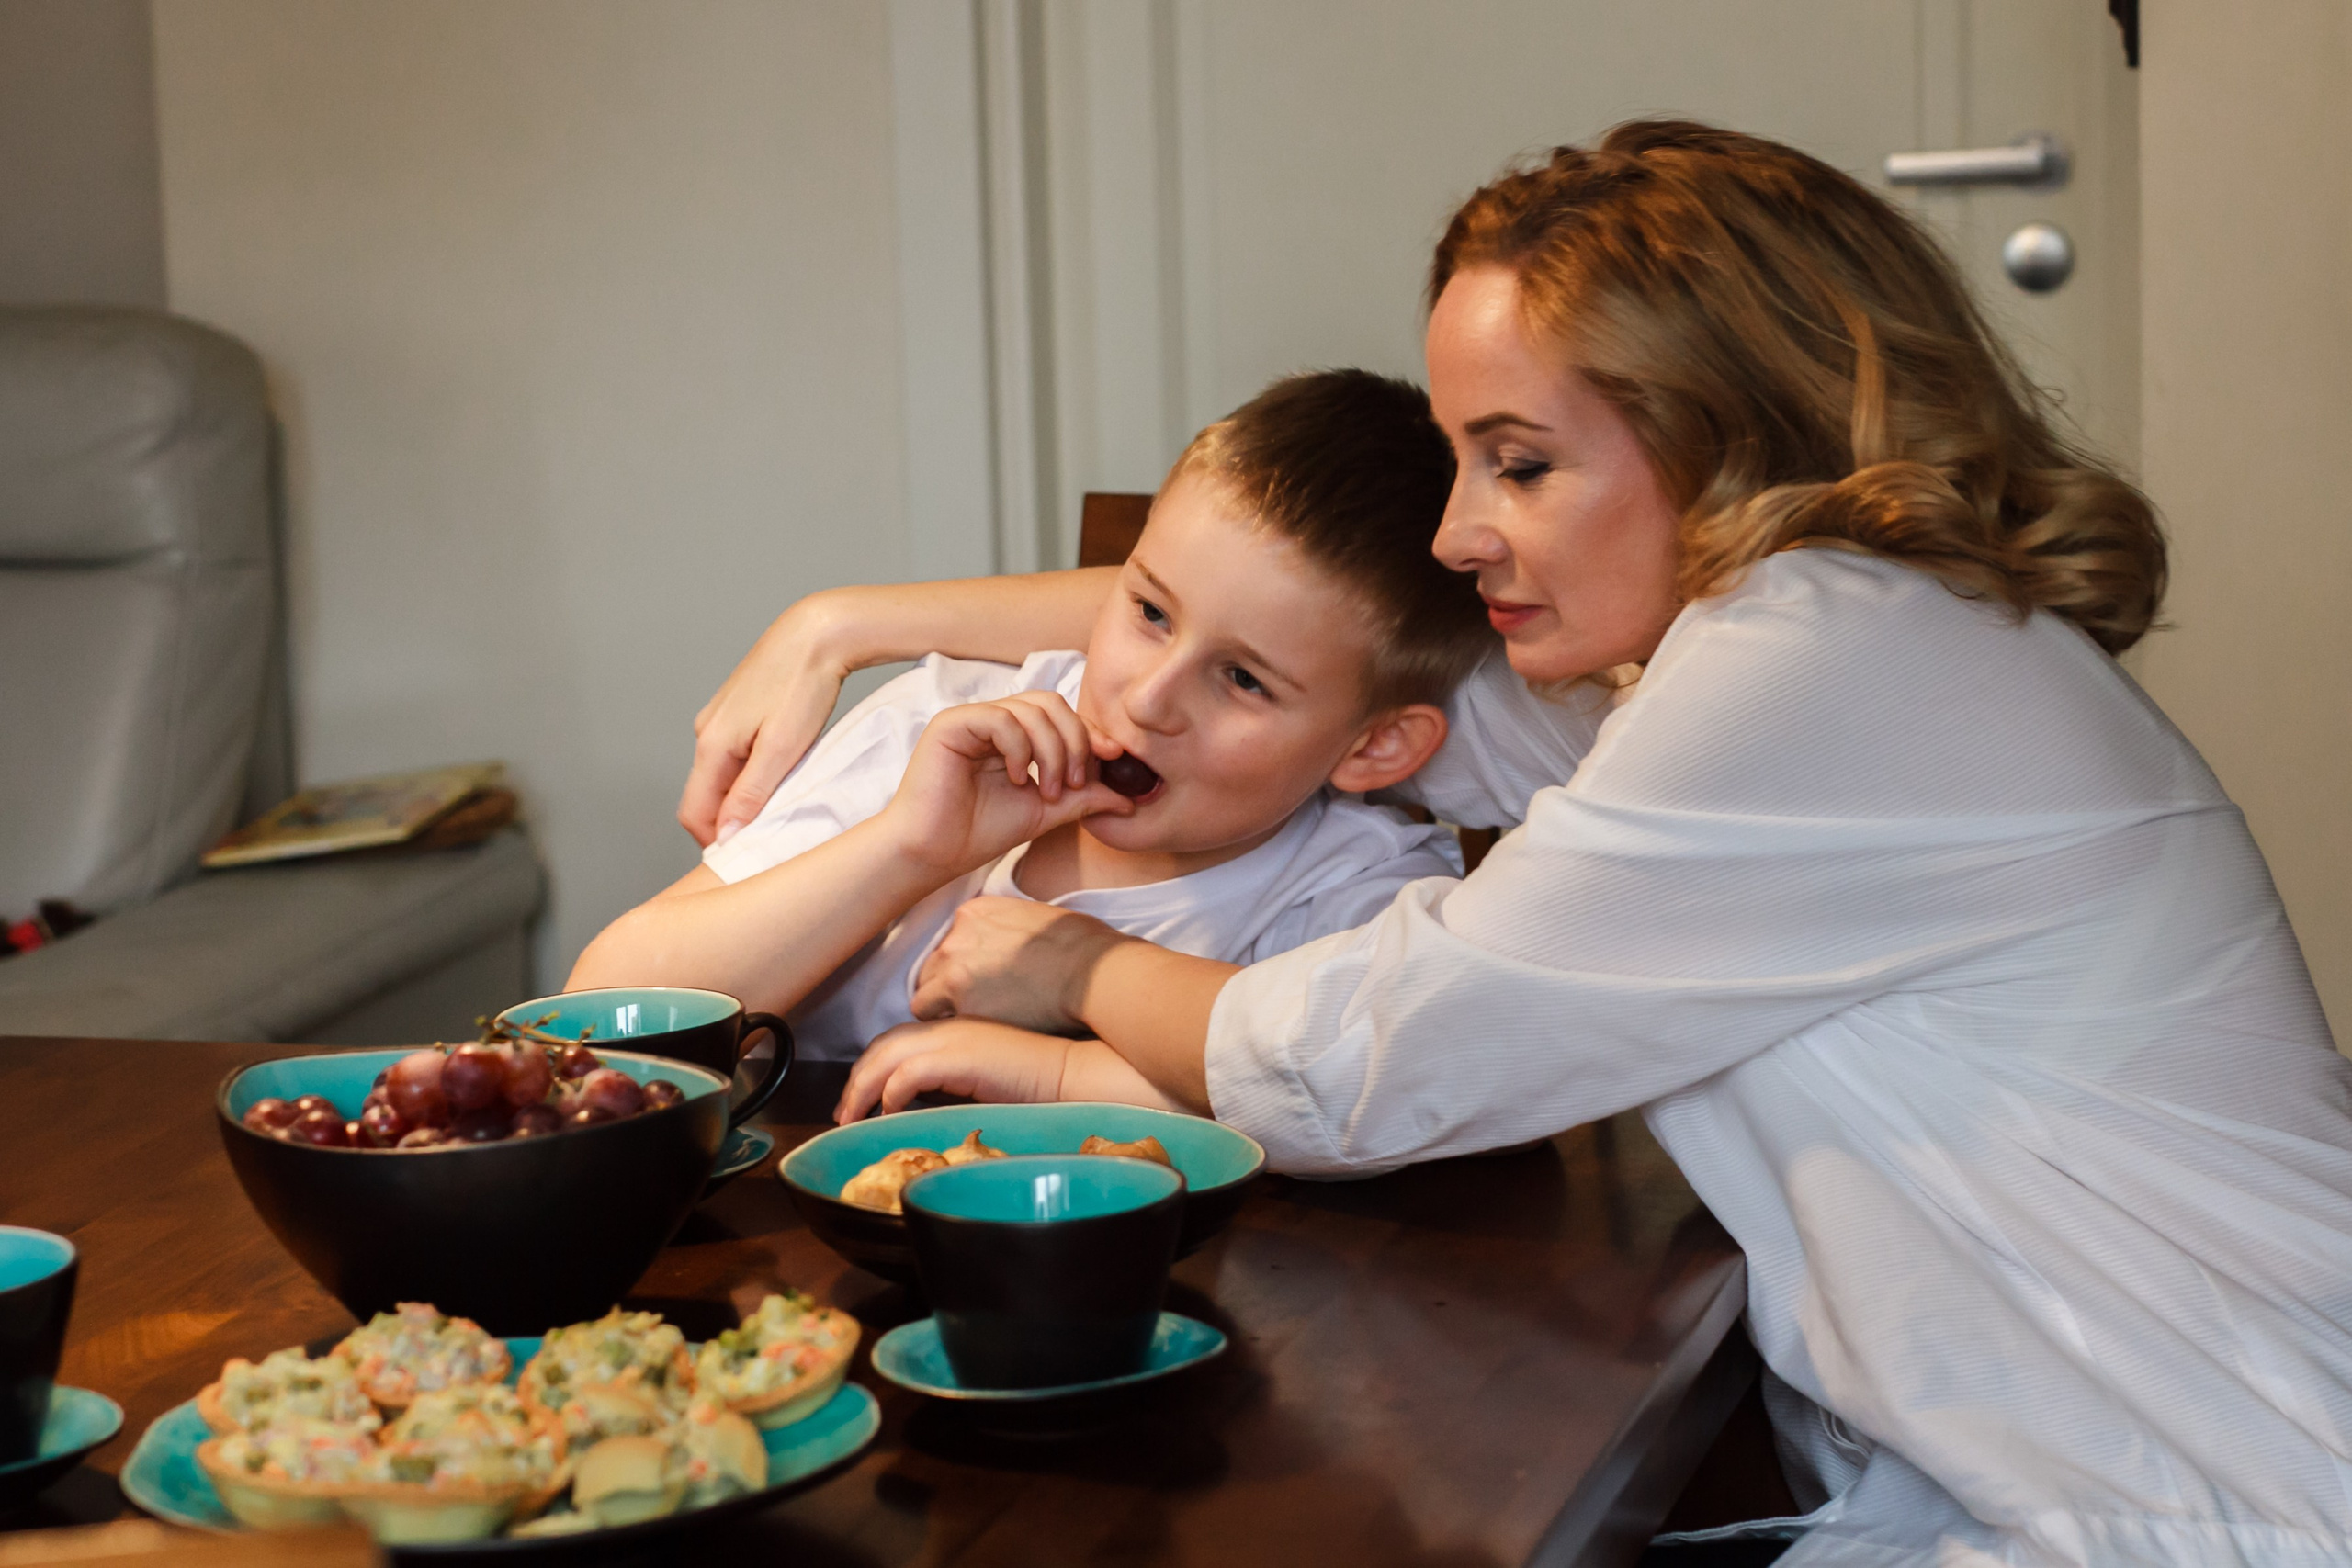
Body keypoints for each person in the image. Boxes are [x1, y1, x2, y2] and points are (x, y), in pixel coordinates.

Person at [679, 121, 2352, 1567]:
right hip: (2024, 1486)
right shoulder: (1806, 640)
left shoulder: (1823, 656)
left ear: (1722, 432)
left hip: (2212, 1495)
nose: (1457, 530)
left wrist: (1075, 969)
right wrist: (847, 621)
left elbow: (1375, 1062)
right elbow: (1326, 651)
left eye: (1521, 463)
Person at [571, 370, 1491, 1081]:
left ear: (1375, 746)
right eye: (1149, 612)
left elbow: (1390, 1091)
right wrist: (908, 849)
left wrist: (1057, 1069)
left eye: (1243, 680)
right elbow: (598, 1015)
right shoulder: (951, 722)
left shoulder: (1349, 888)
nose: (1146, 699)